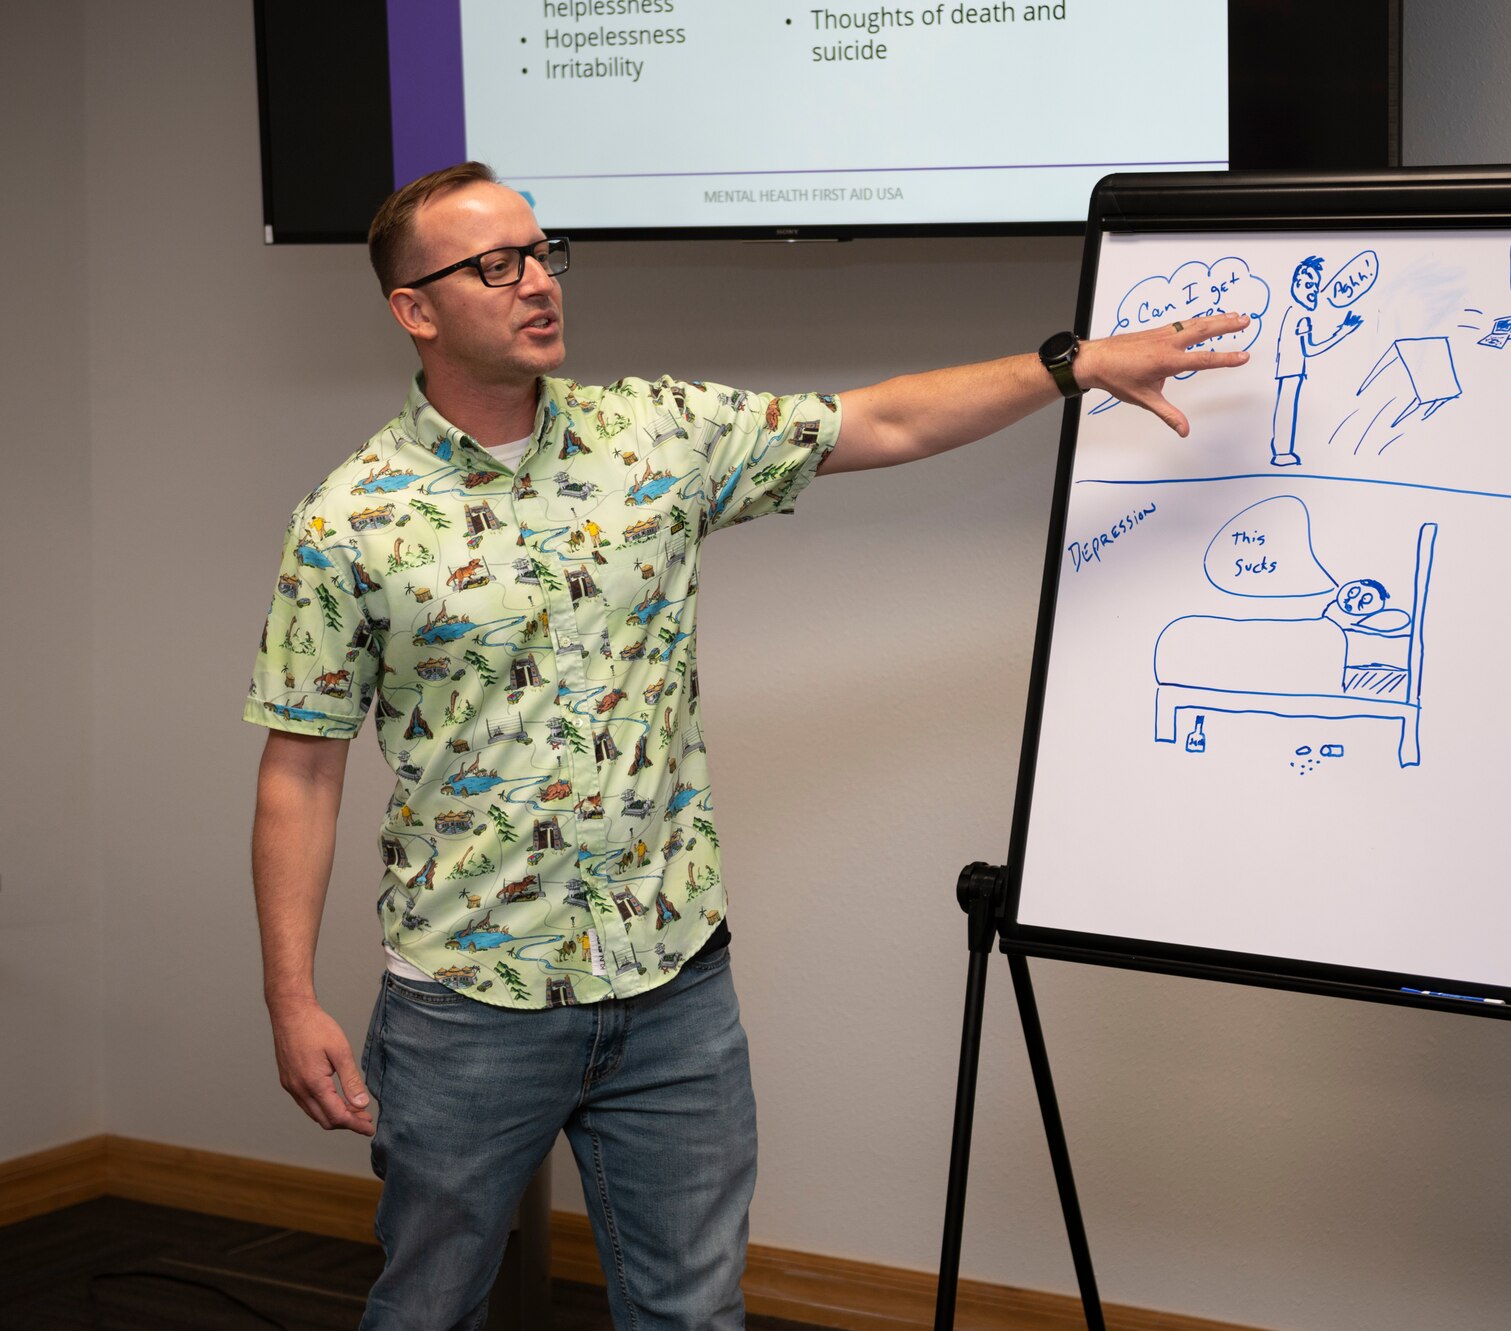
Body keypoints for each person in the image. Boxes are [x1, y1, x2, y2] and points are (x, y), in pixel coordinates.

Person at [247, 161, 1249, 1331]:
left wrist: (1070, 363)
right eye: (496, 265)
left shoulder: (655, 434)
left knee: (692, 1311)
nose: (539, 283)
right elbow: (299, 771)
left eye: (542, 253)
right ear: (413, 308)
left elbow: (881, 418)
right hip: (469, 1000)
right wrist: (290, 998)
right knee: (426, 1307)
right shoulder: (350, 518)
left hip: (674, 985)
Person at [1268, 255, 1364, 467]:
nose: (1313, 291)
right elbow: (1310, 350)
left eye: (1316, 286)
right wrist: (1342, 332)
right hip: (1291, 369)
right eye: (1308, 285)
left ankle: (1282, 450)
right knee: (1287, 408)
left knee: (1285, 407)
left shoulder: (1294, 312)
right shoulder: (1300, 316)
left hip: (1289, 368)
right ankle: (1282, 453)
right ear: (1297, 284)